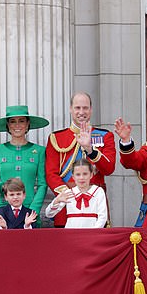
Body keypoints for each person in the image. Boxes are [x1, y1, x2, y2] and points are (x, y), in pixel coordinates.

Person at [45, 92, 116, 227]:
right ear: (71, 109)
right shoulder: (57, 138)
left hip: (95, 203)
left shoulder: (105, 136)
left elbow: (109, 169)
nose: (81, 112)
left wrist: (90, 150)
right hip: (67, 206)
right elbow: (51, 174)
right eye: (77, 108)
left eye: (85, 108)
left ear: (91, 109)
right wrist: (70, 195)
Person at [0, 105, 48, 223]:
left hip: (30, 212)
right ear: (8, 126)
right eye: (13, 122)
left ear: (27, 124)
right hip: (5, 211)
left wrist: (33, 210)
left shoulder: (39, 151)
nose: (17, 125)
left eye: (21, 121)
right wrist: (6, 187)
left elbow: (42, 184)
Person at [45, 159, 108, 228]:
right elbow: (49, 214)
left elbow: (103, 217)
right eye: (78, 174)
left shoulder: (98, 191)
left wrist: (93, 232)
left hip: (92, 234)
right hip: (71, 234)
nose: (81, 178)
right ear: (73, 177)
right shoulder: (68, 193)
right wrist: (56, 201)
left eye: (85, 174)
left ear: (91, 175)